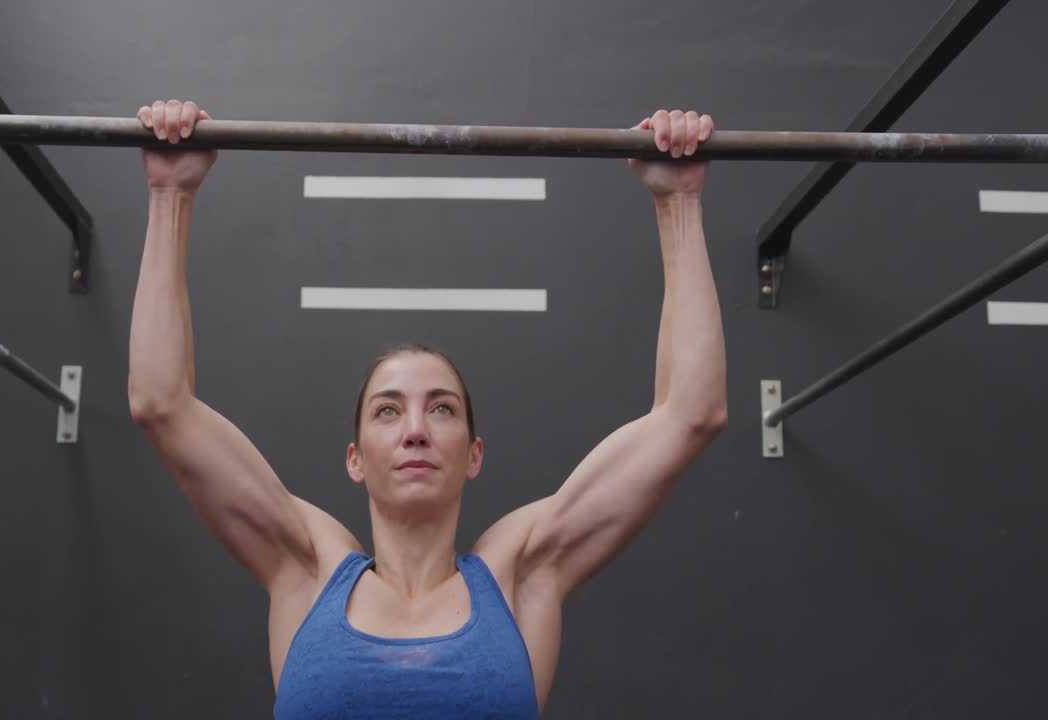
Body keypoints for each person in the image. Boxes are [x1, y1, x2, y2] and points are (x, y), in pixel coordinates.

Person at [127, 99, 727, 718]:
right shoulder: (306, 566)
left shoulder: (518, 575)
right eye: (389, 411)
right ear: (355, 459)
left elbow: (691, 412)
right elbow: (160, 403)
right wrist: (170, 193)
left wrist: (678, 203)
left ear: (473, 454)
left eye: (441, 409)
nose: (415, 429)